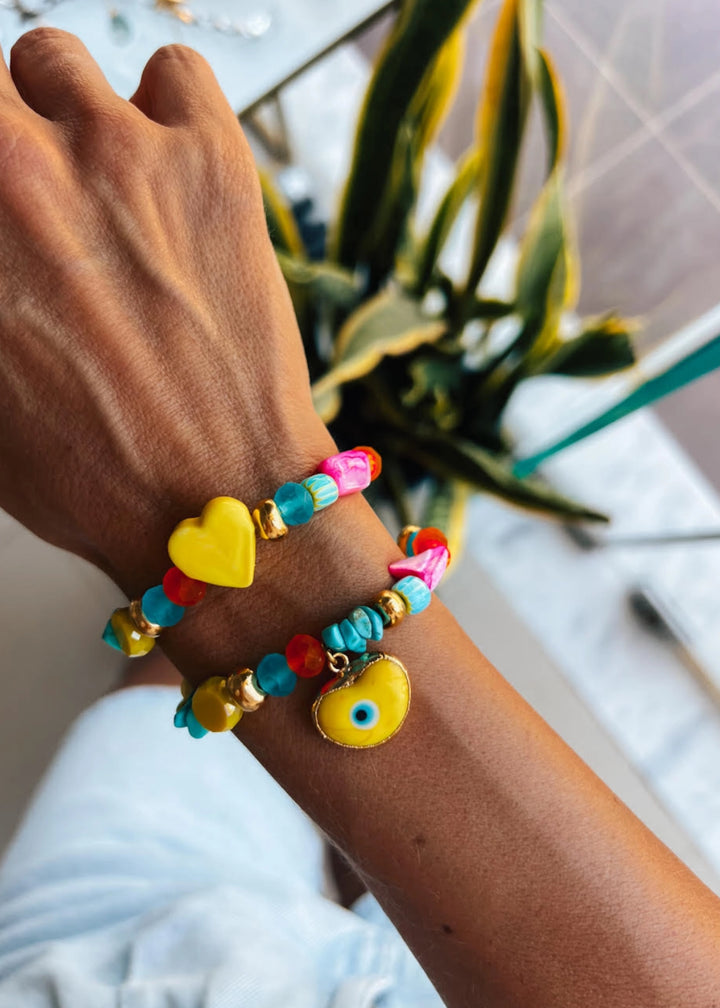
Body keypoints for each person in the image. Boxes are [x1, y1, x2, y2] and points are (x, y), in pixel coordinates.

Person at [0, 27, 718, 1008]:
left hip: (82, 966)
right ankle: (331, 821)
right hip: (207, 935)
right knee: (181, 691)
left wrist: (235, 484)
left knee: (172, 696)